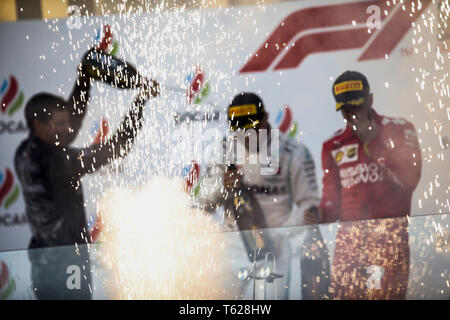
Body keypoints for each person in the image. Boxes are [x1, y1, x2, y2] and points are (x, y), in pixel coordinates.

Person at [14, 49, 159, 299]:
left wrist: (84, 79)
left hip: (43, 259)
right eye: (58, 125)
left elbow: (71, 123)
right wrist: (140, 101)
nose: (65, 129)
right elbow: (117, 147)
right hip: (66, 262)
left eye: (64, 123)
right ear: (39, 125)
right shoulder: (57, 162)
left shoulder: (24, 152)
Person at [304, 71, 422, 299]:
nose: (350, 114)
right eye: (344, 109)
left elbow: (410, 181)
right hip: (348, 244)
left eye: (355, 106)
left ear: (370, 100)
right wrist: (319, 213)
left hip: (389, 239)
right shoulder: (333, 144)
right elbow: (331, 202)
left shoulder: (400, 130)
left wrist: (375, 145)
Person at [197, 92, 320, 299]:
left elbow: (310, 208)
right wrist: (223, 186)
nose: (245, 134)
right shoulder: (224, 150)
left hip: (274, 248)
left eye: (251, 127)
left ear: (265, 119)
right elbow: (204, 202)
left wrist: (280, 233)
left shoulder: (293, 151)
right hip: (232, 246)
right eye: (238, 128)